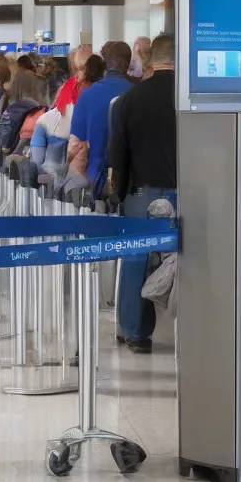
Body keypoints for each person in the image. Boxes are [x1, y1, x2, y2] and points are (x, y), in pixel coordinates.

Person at [108, 33, 176, 354]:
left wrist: (119, 194)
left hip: (140, 193)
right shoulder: (192, 99)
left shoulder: (128, 101)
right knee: (191, 260)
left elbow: (118, 154)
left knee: (135, 259)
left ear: (150, 60)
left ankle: (136, 333)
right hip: (187, 192)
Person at [68, 41, 133, 200]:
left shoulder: (87, 95)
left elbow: (74, 146)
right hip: (130, 183)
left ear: (106, 64)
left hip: (95, 179)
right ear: (127, 64)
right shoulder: (137, 94)